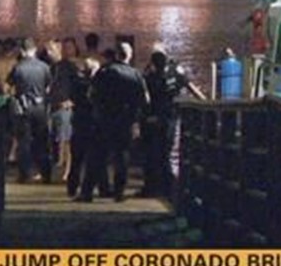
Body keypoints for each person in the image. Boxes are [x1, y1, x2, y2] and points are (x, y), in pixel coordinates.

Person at [140, 44, 204, 197]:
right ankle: (169, 188)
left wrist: (143, 115)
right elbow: (191, 87)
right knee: (167, 153)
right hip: (171, 116)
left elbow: (145, 96)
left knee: (155, 154)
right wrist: (205, 102)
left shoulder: (150, 73)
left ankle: (154, 188)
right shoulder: (176, 70)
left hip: (156, 118)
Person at [87, 41, 148, 202]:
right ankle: (119, 192)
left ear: (116, 54)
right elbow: (144, 100)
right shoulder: (135, 74)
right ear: (130, 55)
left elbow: (92, 94)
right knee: (122, 156)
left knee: (99, 155)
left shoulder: (105, 72)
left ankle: (97, 189)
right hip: (125, 121)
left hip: (105, 119)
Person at [8, 38, 52, 184]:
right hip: (40, 107)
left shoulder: (18, 67)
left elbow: (9, 86)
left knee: (24, 142)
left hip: (23, 107)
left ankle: (24, 174)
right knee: (42, 141)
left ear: (22, 51)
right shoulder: (44, 67)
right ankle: (46, 173)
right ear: (35, 50)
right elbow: (48, 86)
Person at [68, 57, 101, 201]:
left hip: (79, 124)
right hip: (93, 125)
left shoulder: (77, 84)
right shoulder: (98, 85)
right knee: (93, 159)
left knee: (76, 159)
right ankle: (96, 187)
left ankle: (72, 187)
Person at [49, 37, 81, 184]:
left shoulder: (69, 67)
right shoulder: (53, 67)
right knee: (56, 139)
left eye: (52, 49)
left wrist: (72, 101)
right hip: (54, 107)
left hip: (64, 108)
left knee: (66, 140)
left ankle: (67, 170)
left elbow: (78, 86)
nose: (50, 52)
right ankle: (59, 168)